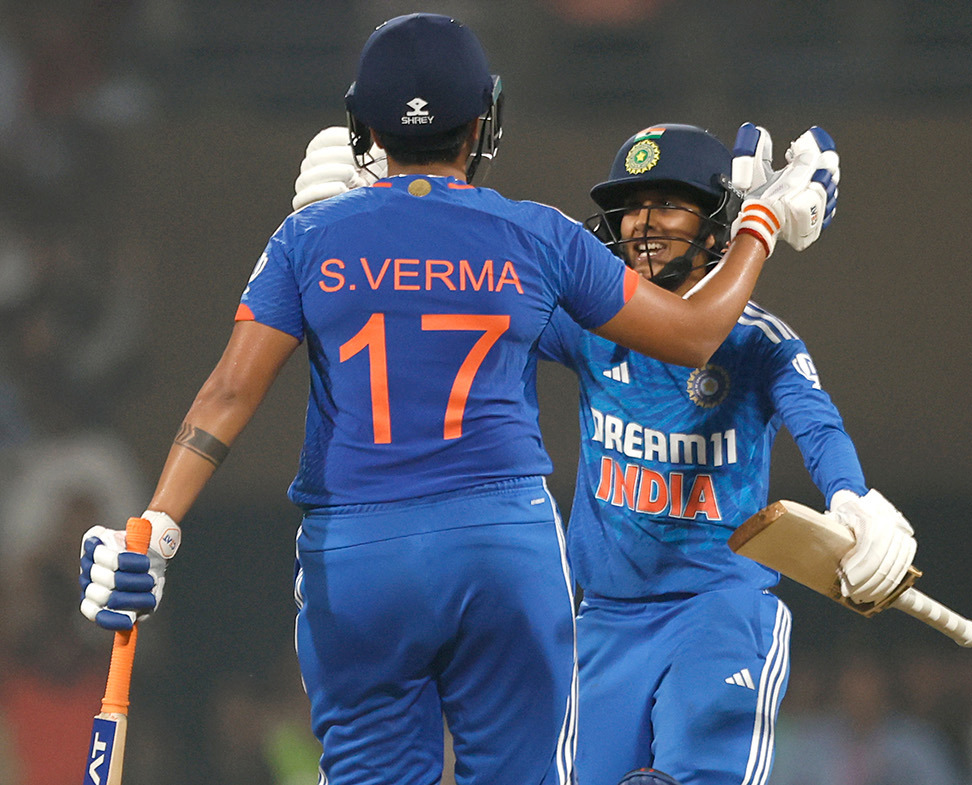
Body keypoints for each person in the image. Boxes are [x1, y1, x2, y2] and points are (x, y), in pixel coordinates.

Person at [76, 14, 837, 785]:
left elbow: (228, 391)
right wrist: (760, 223)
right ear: (482, 123)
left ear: (365, 126)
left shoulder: (306, 237)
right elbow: (698, 332)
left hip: (358, 556)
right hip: (501, 546)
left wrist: (157, 527)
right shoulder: (535, 235)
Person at [290, 122, 914, 785]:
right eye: (630, 207)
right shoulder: (593, 325)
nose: (642, 224)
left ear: (715, 223)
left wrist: (852, 497)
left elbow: (818, 427)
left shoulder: (761, 342)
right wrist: (387, 217)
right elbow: (477, 293)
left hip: (720, 609)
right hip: (605, 622)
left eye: (666, 203)